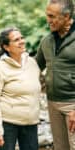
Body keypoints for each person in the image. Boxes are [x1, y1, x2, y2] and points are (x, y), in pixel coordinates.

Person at [0, 27, 41, 150]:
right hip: (7, 125)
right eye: (16, 40)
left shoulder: (32, 63)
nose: (21, 41)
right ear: (6, 47)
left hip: (31, 124)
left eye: (22, 38)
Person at [36, 0, 75, 149]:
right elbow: (34, 67)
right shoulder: (46, 41)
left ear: (66, 16)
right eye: (47, 15)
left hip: (73, 103)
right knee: (60, 147)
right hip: (53, 103)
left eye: (52, 16)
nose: (48, 20)